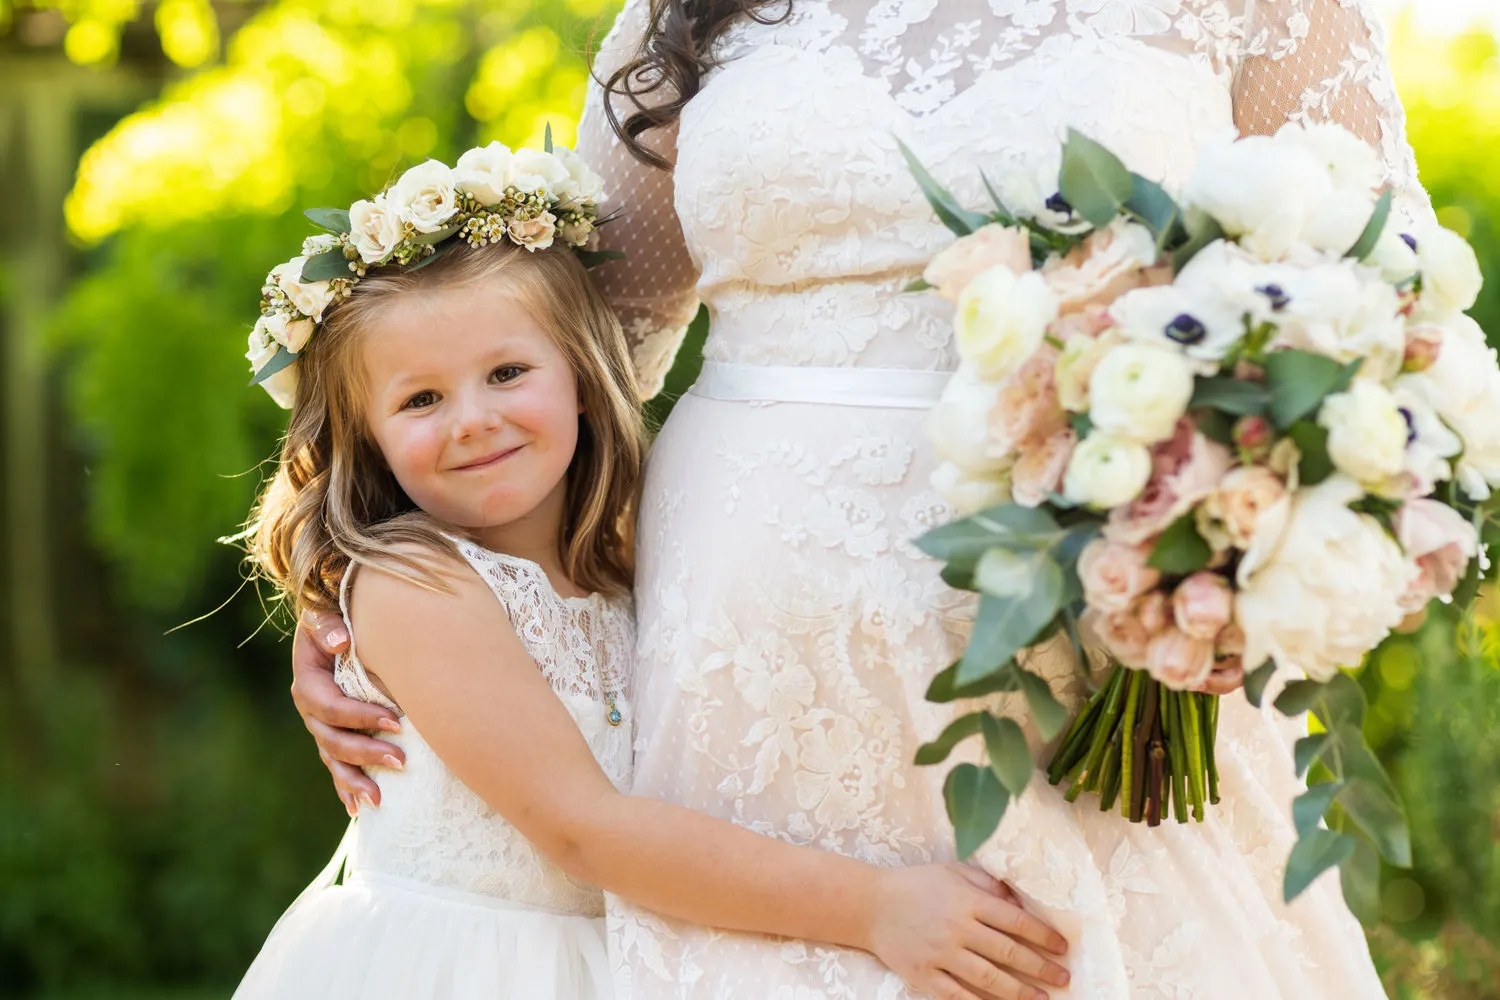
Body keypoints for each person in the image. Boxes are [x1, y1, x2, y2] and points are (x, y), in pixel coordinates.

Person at [293, 2, 1434, 996]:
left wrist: (1262, 540)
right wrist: (361, 577)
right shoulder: (690, 9)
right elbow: (553, 344)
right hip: (747, 667)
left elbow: (1386, 314)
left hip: (1101, 619)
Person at [232, 148, 1071, 1000]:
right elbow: (586, 833)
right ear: (365, 436)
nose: (473, 420)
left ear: (586, 380)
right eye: (421, 400)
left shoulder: (632, 558)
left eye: (507, 373)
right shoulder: (415, 585)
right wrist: (877, 907)